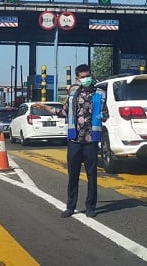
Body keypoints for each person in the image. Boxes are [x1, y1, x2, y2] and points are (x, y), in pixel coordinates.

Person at [34, 64, 106, 218]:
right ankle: (70, 206)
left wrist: (103, 116)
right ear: (77, 78)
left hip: (91, 140)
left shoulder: (100, 93)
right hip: (74, 140)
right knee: (73, 175)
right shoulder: (73, 94)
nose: (86, 79)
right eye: (82, 77)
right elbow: (64, 112)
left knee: (92, 176)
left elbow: (105, 112)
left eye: (88, 76)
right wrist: (46, 108)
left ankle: (90, 207)